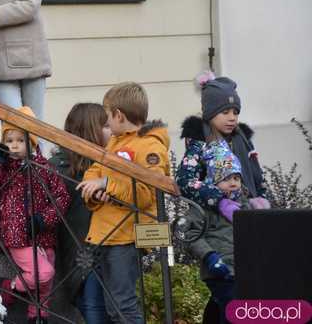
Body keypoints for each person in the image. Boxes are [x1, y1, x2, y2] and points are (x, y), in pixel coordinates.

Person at [76, 82, 170, 323]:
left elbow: (149, 193)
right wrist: (96, 191)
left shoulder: (150, 146)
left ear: (119, 115)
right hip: (105, 232)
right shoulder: (115, 143)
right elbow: (94, 171)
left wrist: (108, 185)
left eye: (107, 118)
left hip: (126, 236)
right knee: (111, 305)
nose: (107, 123)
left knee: (123, 305)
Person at [0, 106, 70, 324]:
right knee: (43, 273)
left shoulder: (44, 167)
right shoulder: (3, 168)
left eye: (21, 140)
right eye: (9, 140)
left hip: (42, 232)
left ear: (32, 142)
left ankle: (37, 315)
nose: (15, 145)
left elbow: (62, 198)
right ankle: (8, 288)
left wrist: (44, 219)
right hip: (16, 232)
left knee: (46, 279)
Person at [176, 72, 270, 221]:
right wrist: (221, 201)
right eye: (225, 112)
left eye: (235, 112)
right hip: (212, 222)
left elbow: (259, 179)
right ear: (209, 114)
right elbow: (184, 181)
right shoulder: (200, 142)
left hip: (247, 217)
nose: (232, 117)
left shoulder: (243, 140)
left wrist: (261, 201)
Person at [49, 103, 111, 323]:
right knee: (93, 307)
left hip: (107, 251)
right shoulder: (59, 168)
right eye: (105, 125)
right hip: (81, 253)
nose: (111, 130)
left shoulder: (109, 166)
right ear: (89, 130)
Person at [184, 139, 256, 324]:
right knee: (234, 308)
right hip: (220, 269)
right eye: (225, 178)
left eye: (236, 178)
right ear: (212, 181)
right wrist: (209, 256)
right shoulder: (204, 208)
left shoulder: (244, 204)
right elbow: (190, 234)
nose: (233, 183)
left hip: (244, 270)